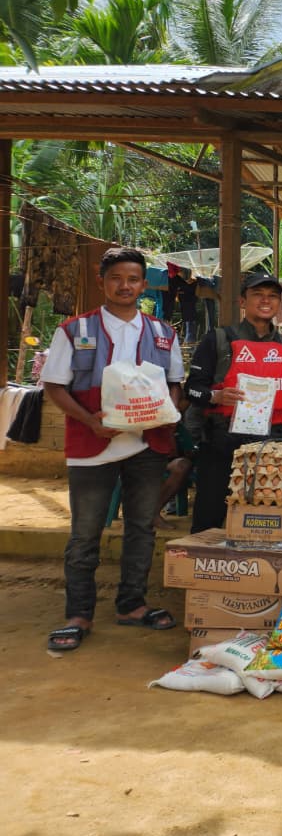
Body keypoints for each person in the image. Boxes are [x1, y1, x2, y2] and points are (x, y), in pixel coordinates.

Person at [41, 247, 185, 651]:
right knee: (85, 532)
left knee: (141, 527)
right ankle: (78, 613)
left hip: (146, 444)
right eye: (117, 278)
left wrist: (168, 410)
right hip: (92, 444)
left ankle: (131, 605)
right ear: (101, 281)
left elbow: (175, 383)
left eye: (133, 279)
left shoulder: (162, 332)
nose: (125, 286)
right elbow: (54, 385)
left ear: (144, 284)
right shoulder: (75, 331)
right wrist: (89, 421)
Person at [185, 273, 282, 533]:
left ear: (279, 303)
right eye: (258, 294)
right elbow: (191, 389)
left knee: (266, 521)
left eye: (272, 296)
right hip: (223, 442)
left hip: (273, 446)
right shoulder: (219, 339)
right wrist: (216, 396)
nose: (265, 300)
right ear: (242, 302)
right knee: (209, 517)